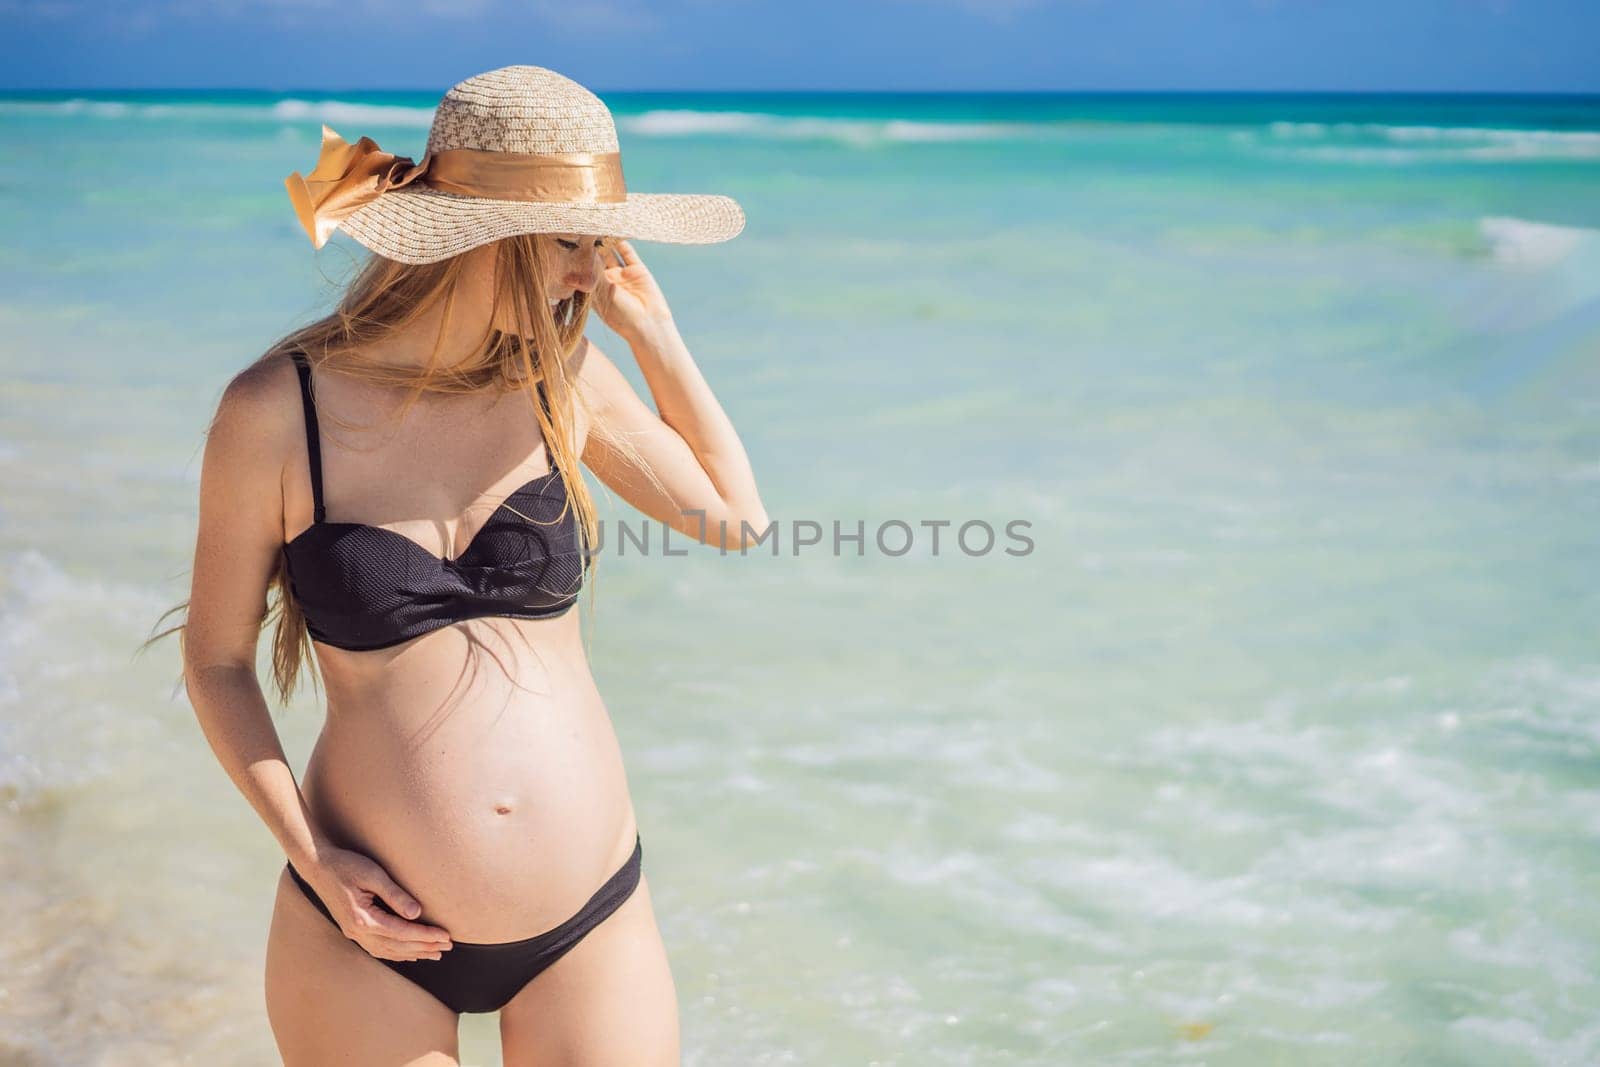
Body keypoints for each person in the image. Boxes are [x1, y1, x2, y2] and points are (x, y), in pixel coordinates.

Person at [171, 65, 766, 1065]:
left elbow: (733, 519)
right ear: (482, 239)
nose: (595, 272)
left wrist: (655, 335)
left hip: (590, 917)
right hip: (365, 933)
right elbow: (218, 660)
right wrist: (314, 860)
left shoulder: (561, 379)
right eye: (572, 242)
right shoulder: (278, 410)